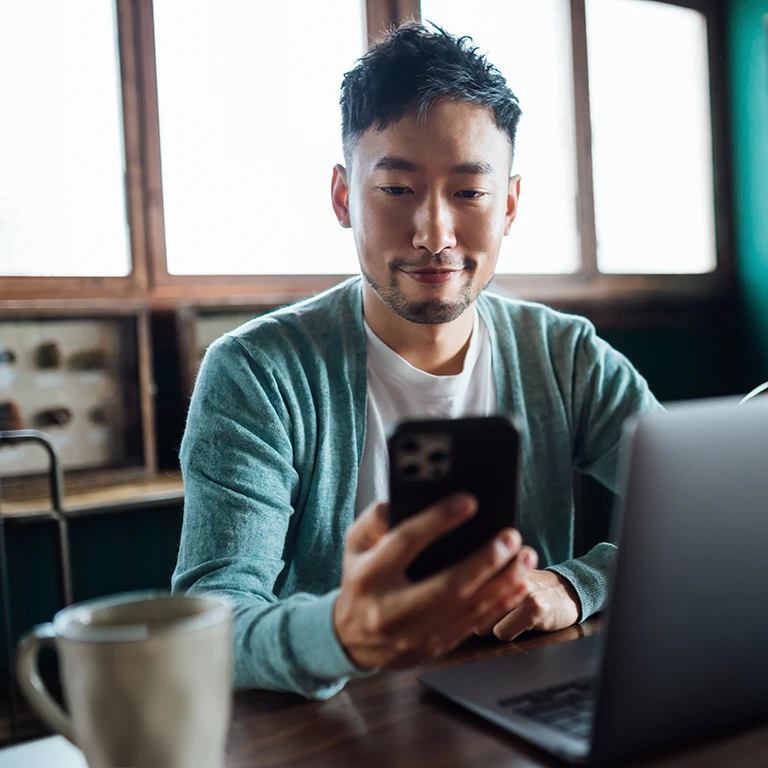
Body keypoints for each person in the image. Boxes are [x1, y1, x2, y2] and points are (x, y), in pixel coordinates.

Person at [172, 22, 662, 700]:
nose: (434, 233)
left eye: (469, 192)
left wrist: (578, 584)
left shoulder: (565, 356)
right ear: (344, 197)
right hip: (334, 726)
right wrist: (342, 633)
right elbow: (211, 622)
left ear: (510, 205)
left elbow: (696, 523)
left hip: (526, 702)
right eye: (398, 190)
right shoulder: (257, 374)